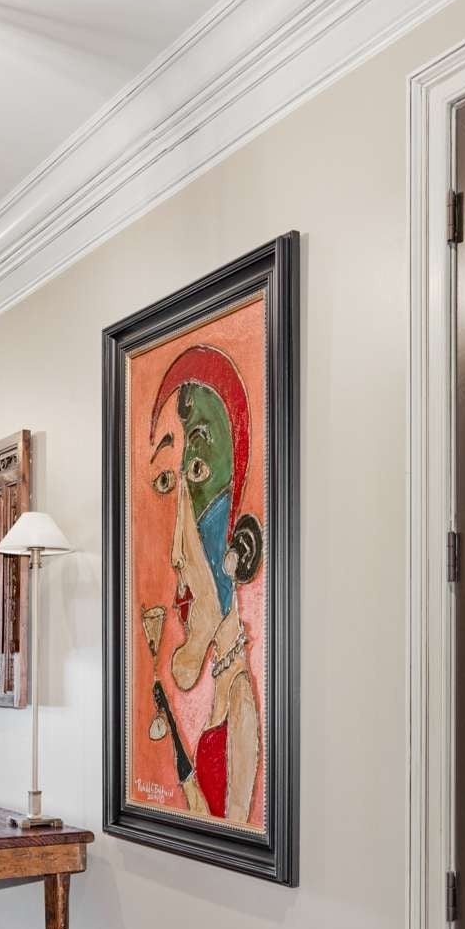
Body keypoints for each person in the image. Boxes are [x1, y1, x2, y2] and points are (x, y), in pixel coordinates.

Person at [146, 343, 263, 826]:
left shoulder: (240, 699)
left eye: (197, 471)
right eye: (167, 484)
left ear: (238, 550)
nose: (176, 553)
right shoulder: (223, 687)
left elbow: (236, 826)